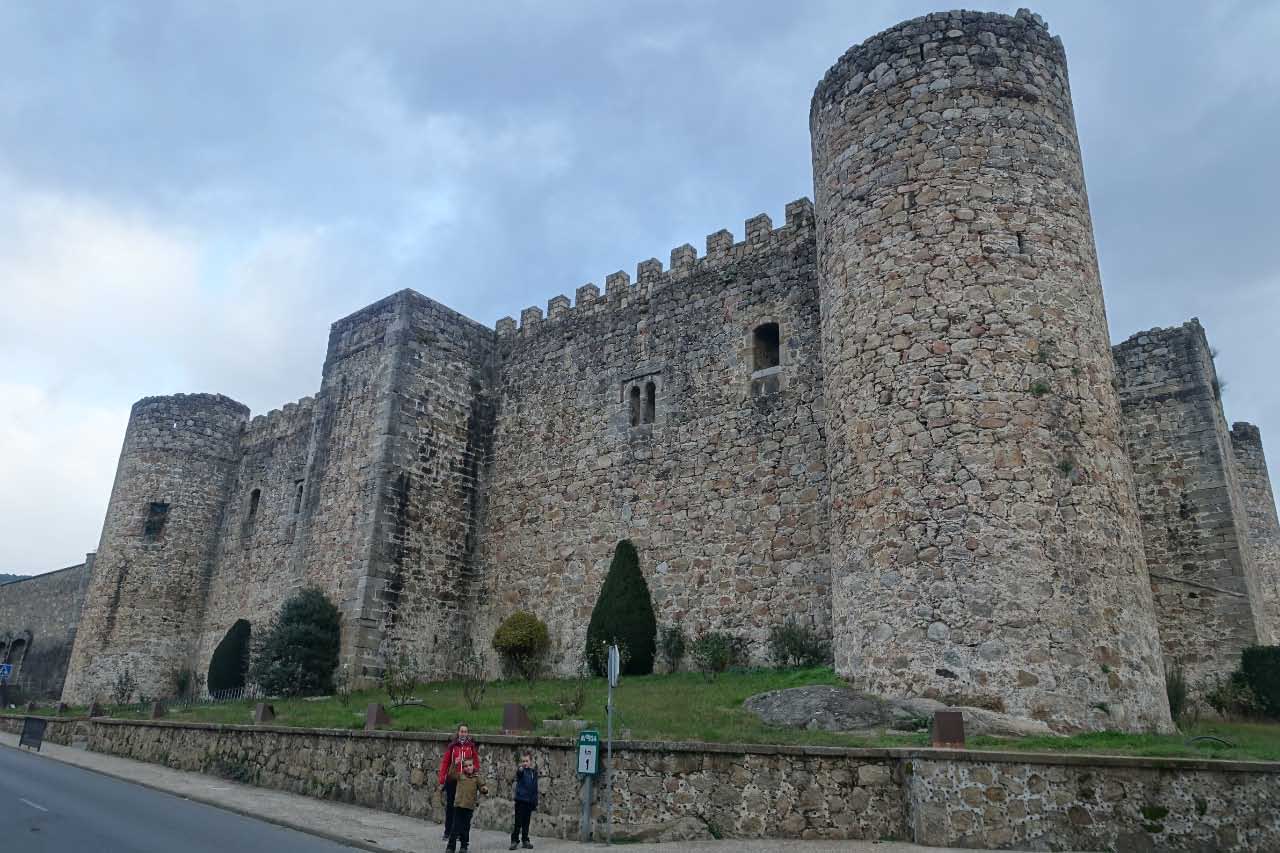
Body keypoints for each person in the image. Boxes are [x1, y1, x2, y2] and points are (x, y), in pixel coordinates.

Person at [437, 723, 479, 841]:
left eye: (465, 732)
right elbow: (445, 762)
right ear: (458, 732)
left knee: (462, 807)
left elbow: (475, 762)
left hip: (465, 781)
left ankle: (460, 833)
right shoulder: (452, 746)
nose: (463, 734)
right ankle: (448, 831)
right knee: (451, 806)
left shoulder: (470, 747)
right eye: (461, 731)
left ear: (467, 734)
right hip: (453, 779)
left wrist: (474, 773)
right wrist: (442, 777)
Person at [446, 755, 488, 853]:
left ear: (473, 766)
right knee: (455, 828)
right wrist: (454, 764)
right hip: (458, 806)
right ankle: (450, 847)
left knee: (465, 828)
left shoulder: (476, 778)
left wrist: (484, 790)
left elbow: (482, 786)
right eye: (465, 766)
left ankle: (464, 846)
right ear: (463, 767)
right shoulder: (460, 776)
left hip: (469, 807)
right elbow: (451, 774)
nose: (468, 767)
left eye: (470, 765)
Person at [509, 751, 539, 850]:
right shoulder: (521, 771)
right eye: (523, 761)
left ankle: (525, 840)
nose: (525, 763)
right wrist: (520, 770)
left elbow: (535, 788)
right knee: (518, 822)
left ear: (531, 761)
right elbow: (519, 773)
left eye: (526, 761)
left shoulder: (533, 773)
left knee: (526, 822)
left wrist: (535, 801)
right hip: (521, 801)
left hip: (529, 801)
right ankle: (514, 840)